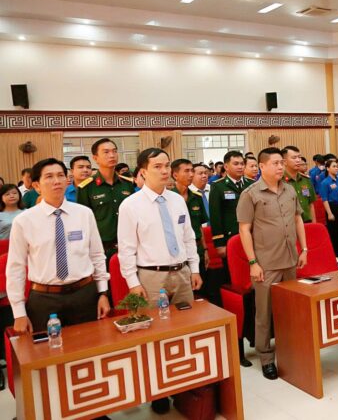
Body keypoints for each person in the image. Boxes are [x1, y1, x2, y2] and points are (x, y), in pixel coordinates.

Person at [117, 148, 201, 415]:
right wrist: (133, 282)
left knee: (185, 331)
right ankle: (158, 392)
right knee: (154, 336)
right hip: (151, 277)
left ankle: (184, 383)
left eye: (167, 165)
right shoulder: (131, 205)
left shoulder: (177, 200)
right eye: (157, 167)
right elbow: (126, 249)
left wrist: (194, 268)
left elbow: (188, 237)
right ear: (143, 171)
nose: (165, 171)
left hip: (182, 273)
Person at [7, 158, 110, 336]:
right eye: (49, 177)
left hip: (84, 295)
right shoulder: (24, 221)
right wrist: (19, 312)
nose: (56, 181)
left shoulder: (84, 214)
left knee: (89, 345)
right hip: (44, 299)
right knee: (48, 349)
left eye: (60, 175)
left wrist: (103, 293)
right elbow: (16, 267)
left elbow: (97, 255)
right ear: (37, 185)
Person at [237, 147, 308, 380]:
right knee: (264, 313)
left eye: (281, 163)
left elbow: (298, 219)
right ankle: (267, 358)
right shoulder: (250, 194)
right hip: (266, 263)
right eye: (275, 163)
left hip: (290, 259)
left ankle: (290, 349)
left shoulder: (289, 190)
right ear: (262, 166)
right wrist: (253, 262)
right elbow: (244, 230)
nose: (280, 167)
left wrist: (304, 249)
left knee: (290, 309)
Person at [77, 138, 135, 262]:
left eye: (114, 151)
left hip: (129, 247)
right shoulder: (87, 187)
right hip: (102, 250)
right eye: (106, 152)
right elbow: (83, 222)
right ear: (95, 158)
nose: (112, 155)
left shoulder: (127, 184)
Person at [171, 159, 213, 304]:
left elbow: (199, 226)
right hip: (178, 253)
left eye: (192, 171)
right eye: (187, 171)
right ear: (175, 175)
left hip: (196, 249)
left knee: (200, 290)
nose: (191, 174)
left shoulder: (196, 197)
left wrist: (205, 249)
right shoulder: (169, 198)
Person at [209, 150, 250, 257]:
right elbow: (215, 216)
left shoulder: (251, 184)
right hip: (230, 237)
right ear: (226, 167)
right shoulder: (218, 186)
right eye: (236, 164)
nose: (240, 167)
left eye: (242, 164)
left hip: (252, 235)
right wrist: (219, 243)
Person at [318, 159, 338, 255]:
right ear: (327, 168)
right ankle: (336, 253)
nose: (336, 168)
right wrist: (329, 213)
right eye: (334, 166)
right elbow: (324, 199)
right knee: (334, 232)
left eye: (337, 166)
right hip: (332, 207)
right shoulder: (325, 182)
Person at [282, 146, 317, 223]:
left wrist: (314, 223)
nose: (298, 160)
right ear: (284, 162)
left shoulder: (306, 180)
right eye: (294, 158)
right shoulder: (280, 181)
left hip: (307, 222)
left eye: (299, 157)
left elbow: (310, 204)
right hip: (290, 224)